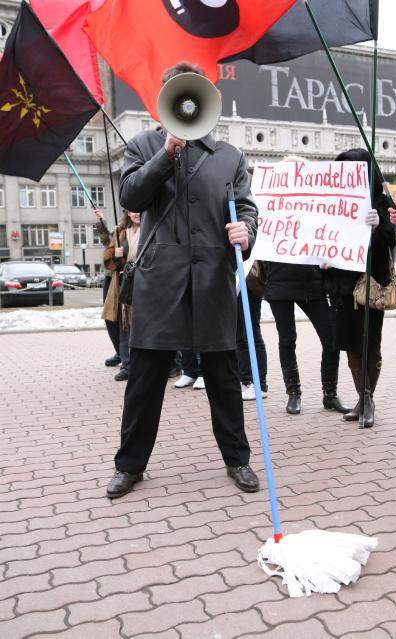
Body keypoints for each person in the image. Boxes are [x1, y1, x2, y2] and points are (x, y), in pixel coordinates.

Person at [106, 61, 260, 499]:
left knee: (223, 375)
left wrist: (246, 230)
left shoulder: (229, 156)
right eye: (176, 95)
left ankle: (238, 459)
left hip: (212, 279)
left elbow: (246, 207)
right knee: (146, 378)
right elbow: (132, 196)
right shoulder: (141, 146)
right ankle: (129, 465)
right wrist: (166, 152)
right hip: (159, 280)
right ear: (163, 100)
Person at [263, 156, 349, 416]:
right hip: (279, 281)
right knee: (287, 339)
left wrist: (331, 256)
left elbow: (333, 233)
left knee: (331, 339)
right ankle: (293, 392)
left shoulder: (315, 205)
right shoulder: (267, 205)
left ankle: (329, 394)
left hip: (312, 281)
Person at [325, 148, 396, 427]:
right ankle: (363, 398)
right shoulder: (332, 200)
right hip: (342, 286)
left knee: (370, 342)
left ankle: (367, 400)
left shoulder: (381, 200)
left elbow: (390, 241)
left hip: (370, 286)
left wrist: (379, 226)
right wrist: (324, 259)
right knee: (350, 344)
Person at [102, 210, 141, 381]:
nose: (137, 213)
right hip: (126, 280)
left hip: (147, 278)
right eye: (133, 210)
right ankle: (127, 365)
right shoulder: (121, 231)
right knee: (125, 322)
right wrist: (116, 255)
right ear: (128, 213)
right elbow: (108, 257)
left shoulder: (151, 228)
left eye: (140, 210)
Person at [237, 260, 268, 401]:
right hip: (234, 280)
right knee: (239, 335)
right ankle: (245, 381)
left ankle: (260, 385)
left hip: (249, 280)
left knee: (253, 334)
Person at [94, 209, 121, 368]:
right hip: (111, 276)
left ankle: (127, 353)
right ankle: (120, 351)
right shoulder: (120, 229)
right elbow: (107, 241)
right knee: (110, 317)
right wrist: (100, 222)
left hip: (125, 276)